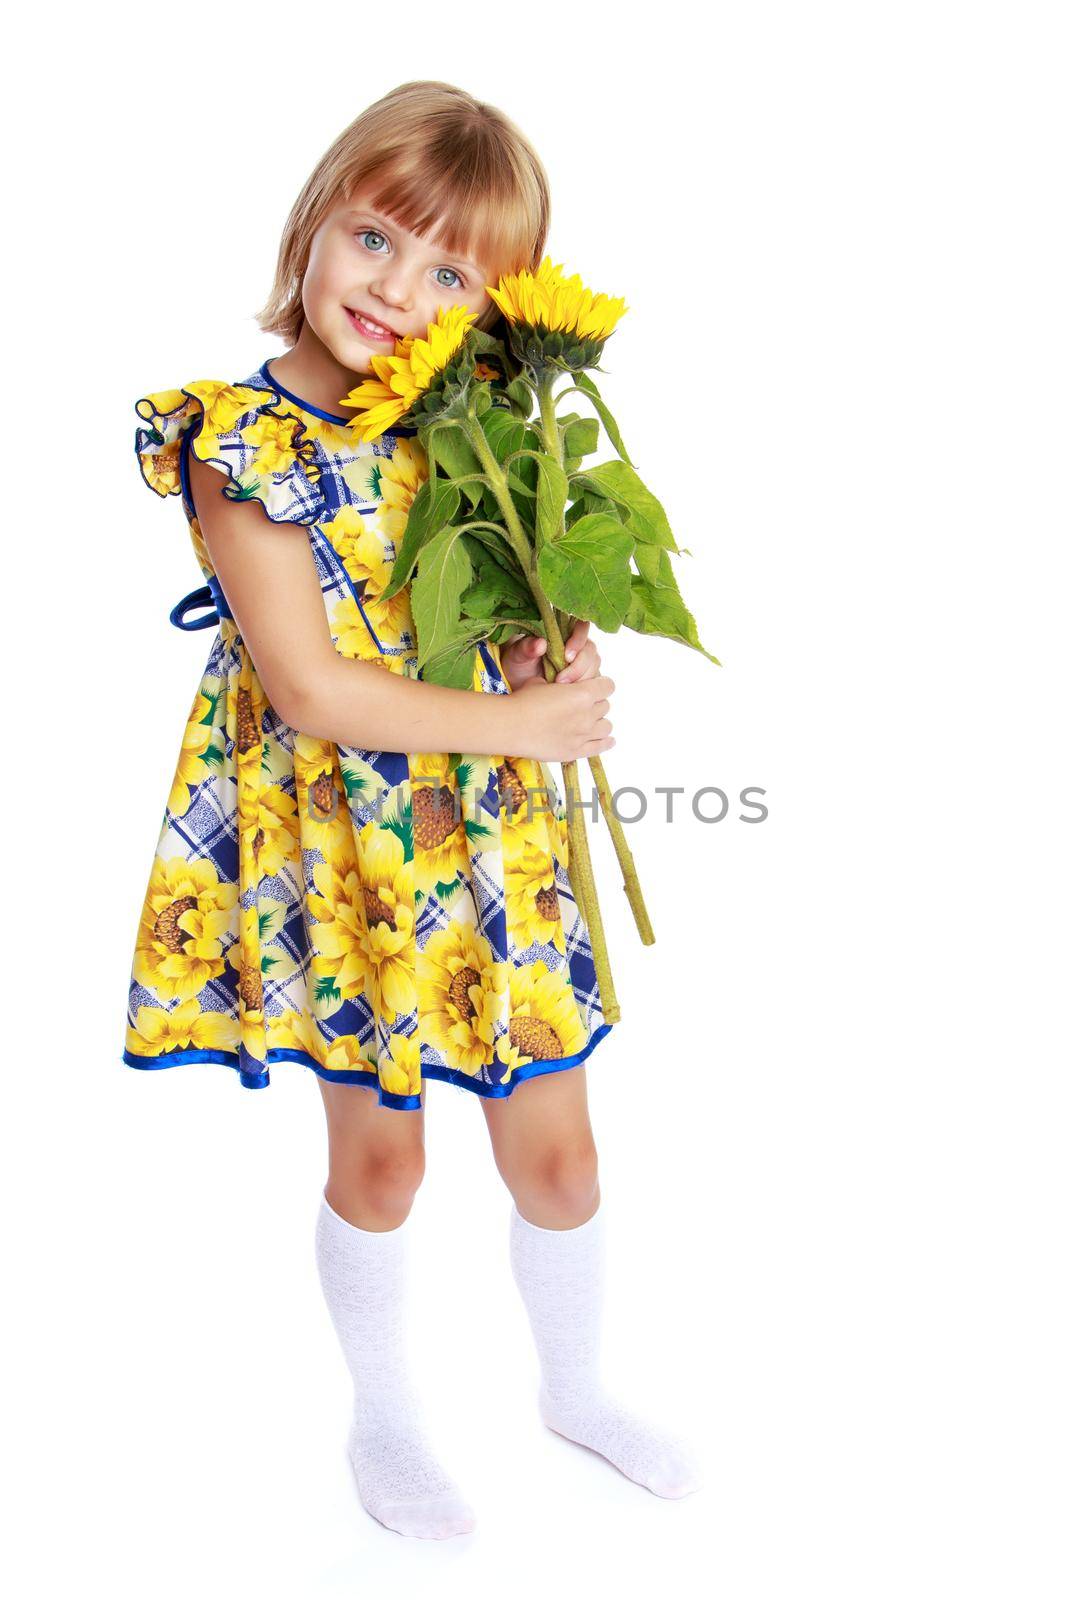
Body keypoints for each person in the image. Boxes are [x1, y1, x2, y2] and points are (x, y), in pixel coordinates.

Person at [122, 79, 701, 1540]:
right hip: (345, 857)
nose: (398, 289)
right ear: (316, 222)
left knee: (559, 1152)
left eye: (451, 272)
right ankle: (386, 1421)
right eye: (377, 238)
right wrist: (522, 721)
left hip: (492, 846)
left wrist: (547, 643)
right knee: (382, 1158)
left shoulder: (477, 424)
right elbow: (313, 688)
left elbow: (488, 613)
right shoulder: (234, 443)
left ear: (496, 305)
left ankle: (575, 1386)